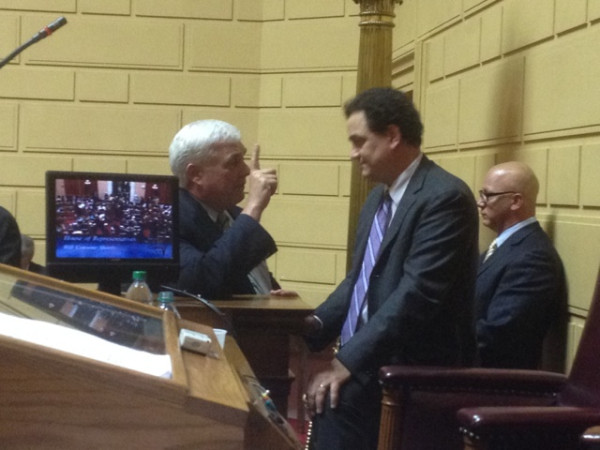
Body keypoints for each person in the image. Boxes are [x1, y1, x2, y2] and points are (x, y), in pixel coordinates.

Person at [302, 87, 479, 450]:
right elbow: (361, 279)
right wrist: (312, 326)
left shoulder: (444, 197)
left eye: (359, 141)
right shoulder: (377, 198)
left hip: (414, 367)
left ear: (393, 136)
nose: (353, 154)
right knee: (327, 398)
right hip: (377, 357)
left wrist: (346, 362)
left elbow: (418, 295)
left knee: (333, 400)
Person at [168, 119, 296, 300]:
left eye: (243, 159)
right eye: (234, 162)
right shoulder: (168, 221)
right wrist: (253, 207)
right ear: (196, 175)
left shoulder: (233, 215)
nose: (246, 171)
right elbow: (202, 282)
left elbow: (244, 278)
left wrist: (271, 296)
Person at [475, 161, 567, 369]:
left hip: (496, 385)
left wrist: (440, 341)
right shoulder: (507, 246)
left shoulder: (533, 258)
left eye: (487, 196)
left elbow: (498, 335)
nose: (480, 203)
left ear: (515, 201)